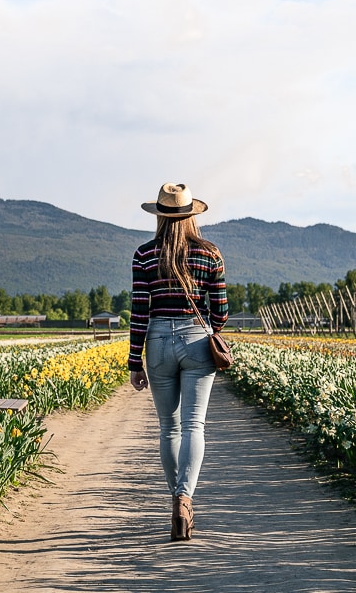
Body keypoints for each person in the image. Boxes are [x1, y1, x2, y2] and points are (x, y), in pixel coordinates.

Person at [128, 183, 229, 541]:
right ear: (191, 216)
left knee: (168, 428)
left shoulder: (143, 255)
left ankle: (175, 498)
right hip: (196, 340)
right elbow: (221, 315)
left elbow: (140, 312)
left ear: (159, 215)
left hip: (156, 339)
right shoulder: (210, 254)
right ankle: (186, 499)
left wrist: (134, 362)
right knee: (194, 426)